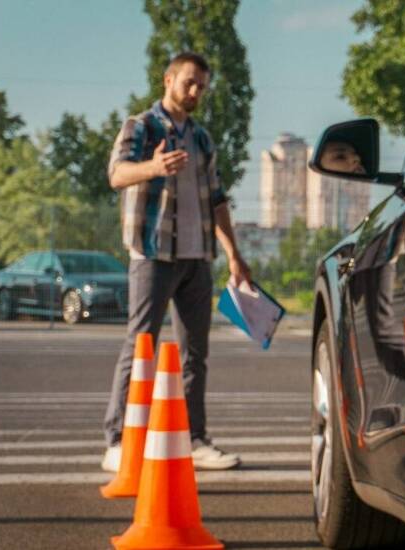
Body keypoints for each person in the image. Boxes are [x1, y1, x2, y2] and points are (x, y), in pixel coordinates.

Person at [101, 52, 249, 471]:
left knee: (195, 353)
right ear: (168, 80)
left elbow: (217, 200)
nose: (195, 91)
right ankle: (117, 440)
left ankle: (194, 438)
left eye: (202, 85)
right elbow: (116, 174)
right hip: (153, 252)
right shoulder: (141, 126)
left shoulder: (202, 138)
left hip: (197, 256)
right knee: (141, 343)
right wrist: (153, 166)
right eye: (189, 82)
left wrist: (234, 254)